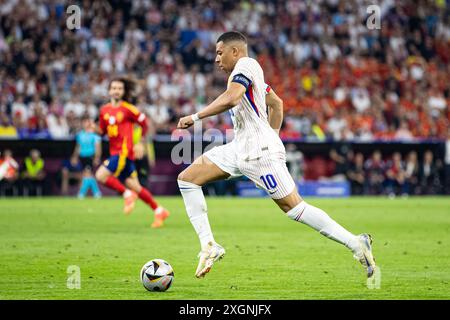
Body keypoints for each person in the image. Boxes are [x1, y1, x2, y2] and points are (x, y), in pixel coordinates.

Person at [176, 32, 376, 279]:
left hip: (259, 152)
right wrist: (272, 135)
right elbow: (277, 104)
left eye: (219, 53)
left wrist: (195, 117)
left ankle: (356, 243)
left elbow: (231, 99)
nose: (216, 59)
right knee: (187, 178)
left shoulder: (246, 66)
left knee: (294, 208)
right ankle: (209, 245)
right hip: (240, 148)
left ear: (235, 51)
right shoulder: (251, 76)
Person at [94, 77, 170, 228]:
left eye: (119, 88)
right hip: (116, 153)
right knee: (135, 186)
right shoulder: (104, 111)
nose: (116, 91)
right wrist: (93, 129)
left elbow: (144, 124)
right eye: (114, 88)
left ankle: (127, 194)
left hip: (123, 152)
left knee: (100, 175)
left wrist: (140, 142)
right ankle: (159, 210)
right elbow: (102, 132)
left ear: (123, 92)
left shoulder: (128, 109)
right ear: (109, 91)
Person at [73, 117, 102, 199]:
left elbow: (98, 147)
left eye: (87, 122)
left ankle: (81, 193)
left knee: (87, 174)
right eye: (84, 122)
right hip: (82, 157)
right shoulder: (80, 134)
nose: (86, 124)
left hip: (90, 156)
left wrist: (97, 157)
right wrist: (75, 157)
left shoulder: (94, 135)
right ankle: (97, 192)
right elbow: (78, 147)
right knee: (88, 175)